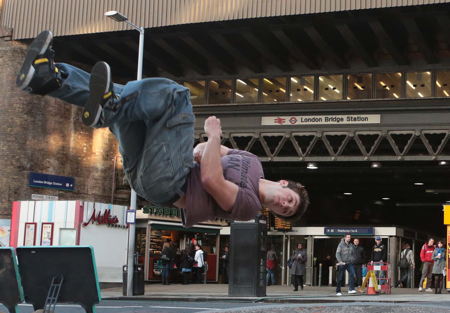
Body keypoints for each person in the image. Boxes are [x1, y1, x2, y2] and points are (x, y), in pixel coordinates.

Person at [17, 30, 310, 228]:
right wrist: (204, 148)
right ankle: (48, 78)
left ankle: (109, 107)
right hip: (149, 170)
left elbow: (209, 177)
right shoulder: (252, 162)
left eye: (286, 211)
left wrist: (213, 135)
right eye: (290, 201)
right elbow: (202, 151)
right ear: (285, 184)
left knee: (175, 97)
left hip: (170, 183)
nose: (285, 206)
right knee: (123, 101)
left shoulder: (248, 207)